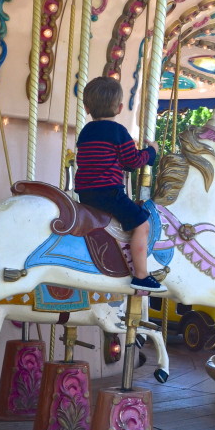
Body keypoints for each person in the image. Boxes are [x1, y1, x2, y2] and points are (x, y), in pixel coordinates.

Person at [75, 76, 165, 293]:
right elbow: (132, 161)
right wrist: (151, 151)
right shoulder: (118, 132)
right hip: (108, 192)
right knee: (142, 224)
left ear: (86, 108)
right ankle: (141, 276)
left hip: (86, 194)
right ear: (120, 107)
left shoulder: (85, 132)